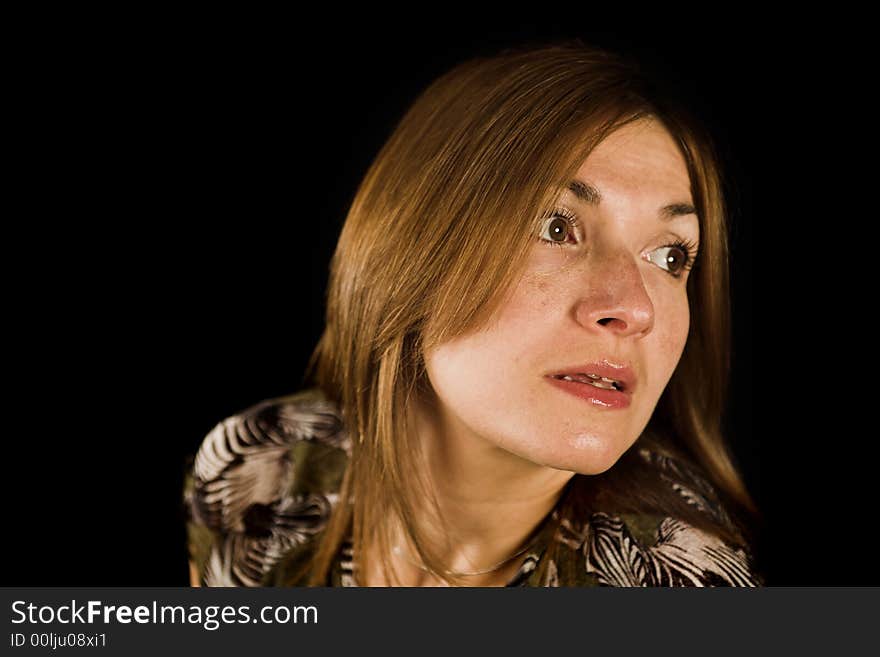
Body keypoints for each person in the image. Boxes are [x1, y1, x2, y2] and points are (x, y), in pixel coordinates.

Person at [183, 38, 763, 587]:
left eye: (670, 255)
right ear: (411, 248)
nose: (635, 308)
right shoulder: (259, 467)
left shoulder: (678, 580)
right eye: (555, 227)